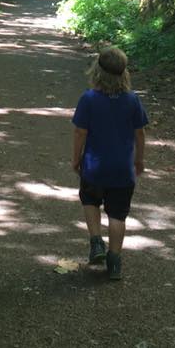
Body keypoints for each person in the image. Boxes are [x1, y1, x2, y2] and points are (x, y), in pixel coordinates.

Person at [71, 46, 148, 281]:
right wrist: (139, 160)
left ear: (97, 71)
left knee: (90, 200)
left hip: (94, 168)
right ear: (124, 74)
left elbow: (80, 132)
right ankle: (114, 262)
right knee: (117, 215)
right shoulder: (132, 100)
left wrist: (76, 158)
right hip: (122, 171)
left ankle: (96, 242)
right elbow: (140, 133)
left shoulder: (88, 99)